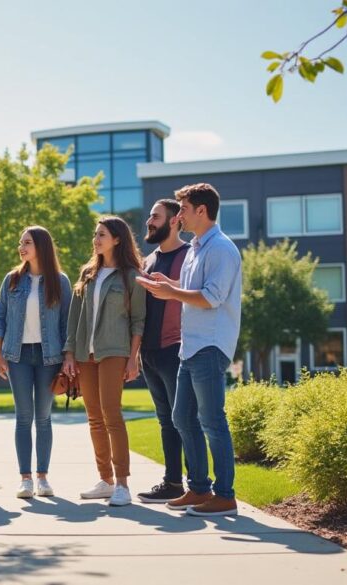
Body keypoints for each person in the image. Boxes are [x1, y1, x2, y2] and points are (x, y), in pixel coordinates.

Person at [136, 183, 242, 517]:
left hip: (210, 344)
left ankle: (224, 495)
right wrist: (170, 286)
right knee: (182, 416)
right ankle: (198, 488)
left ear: (201, 210)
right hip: (191, 347)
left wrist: (172, 295)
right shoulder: (197, 248)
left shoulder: (222, 249)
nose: (179, 215)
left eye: (183, 209)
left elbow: (211, 297)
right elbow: (193, 289)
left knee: (212, 420)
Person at [62, 216, 146, 507]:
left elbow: (138, 322)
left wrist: (133, 359)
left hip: (115, 351)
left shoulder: (132, 276)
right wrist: (70, 353)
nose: (96, 239)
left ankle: (122, 483)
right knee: (94, 418)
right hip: (87, 354)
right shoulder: (87, 274)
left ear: (117, 239)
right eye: (95, 234)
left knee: (112, 414)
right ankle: (105, 480)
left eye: (102, 235)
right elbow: (74, 318)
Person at [0, 226, 72, 499]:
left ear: (41, 246)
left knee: (44, 417)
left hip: (49, 356)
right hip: (18, 356)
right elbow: (0, 316)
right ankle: (25, 478)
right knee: (23, 416)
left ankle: (43, 477)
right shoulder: (12, 280)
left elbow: (67, 323)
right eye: (20, 243)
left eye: (27, 242)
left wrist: (68, 357)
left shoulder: (60, 281)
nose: (21, 247)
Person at [137, 199, 191, 504]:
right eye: (149, 216)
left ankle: (197, 485)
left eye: (155, 217)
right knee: (165, 420)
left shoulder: (189, 256)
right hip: (150, 353)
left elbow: (201, 291)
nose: (149, 221)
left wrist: (173, 284)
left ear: (173, 221)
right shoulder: (147, 261)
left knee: (184, 419)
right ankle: (172, 483)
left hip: (176, 350)